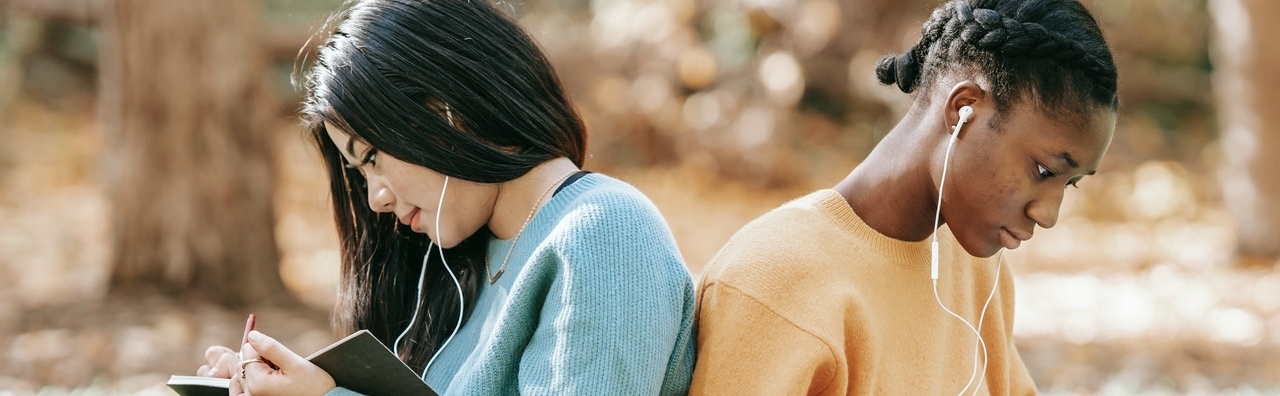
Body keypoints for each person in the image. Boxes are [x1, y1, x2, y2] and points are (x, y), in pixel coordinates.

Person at [195, 0, 696, 394]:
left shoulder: (605, 235)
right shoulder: (459, 265)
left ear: (446, 112)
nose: (375, 201)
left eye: (371, 159)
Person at [690, 0, 1118, 394]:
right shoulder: (774, 281)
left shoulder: (977, 270)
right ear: (963, 109)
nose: (1048, 214)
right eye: (1044, 171)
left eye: (1070, 183)